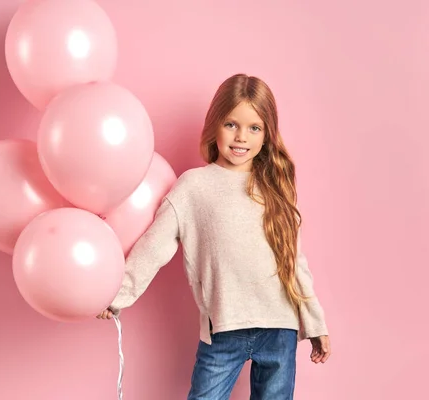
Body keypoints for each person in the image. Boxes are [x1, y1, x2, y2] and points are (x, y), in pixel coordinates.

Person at [97, 73, 331, 399]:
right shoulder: (193, 187)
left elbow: (295, 263)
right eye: (231, 124)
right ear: (215, 125)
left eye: (254, 128)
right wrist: (118, 295)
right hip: (223, 329)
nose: (241, 137)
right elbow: (154, 246)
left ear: (266, 135)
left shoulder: (276, 190)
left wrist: (315, 323)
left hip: (279, 326)